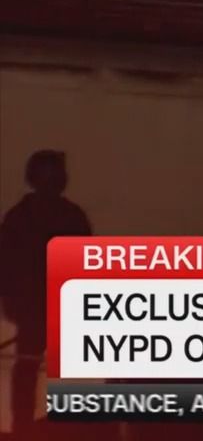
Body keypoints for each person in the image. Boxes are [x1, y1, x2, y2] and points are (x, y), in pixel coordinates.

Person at [0, 150, 92, 435]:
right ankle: (23, 428)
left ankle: (66, 427)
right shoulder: (18, 219)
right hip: (31, 310)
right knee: (27, 372)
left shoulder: (71, 217)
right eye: (47, 175)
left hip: (63, 308)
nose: (52, 181)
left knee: (68, 373)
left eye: (56, 175)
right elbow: (5, 265)